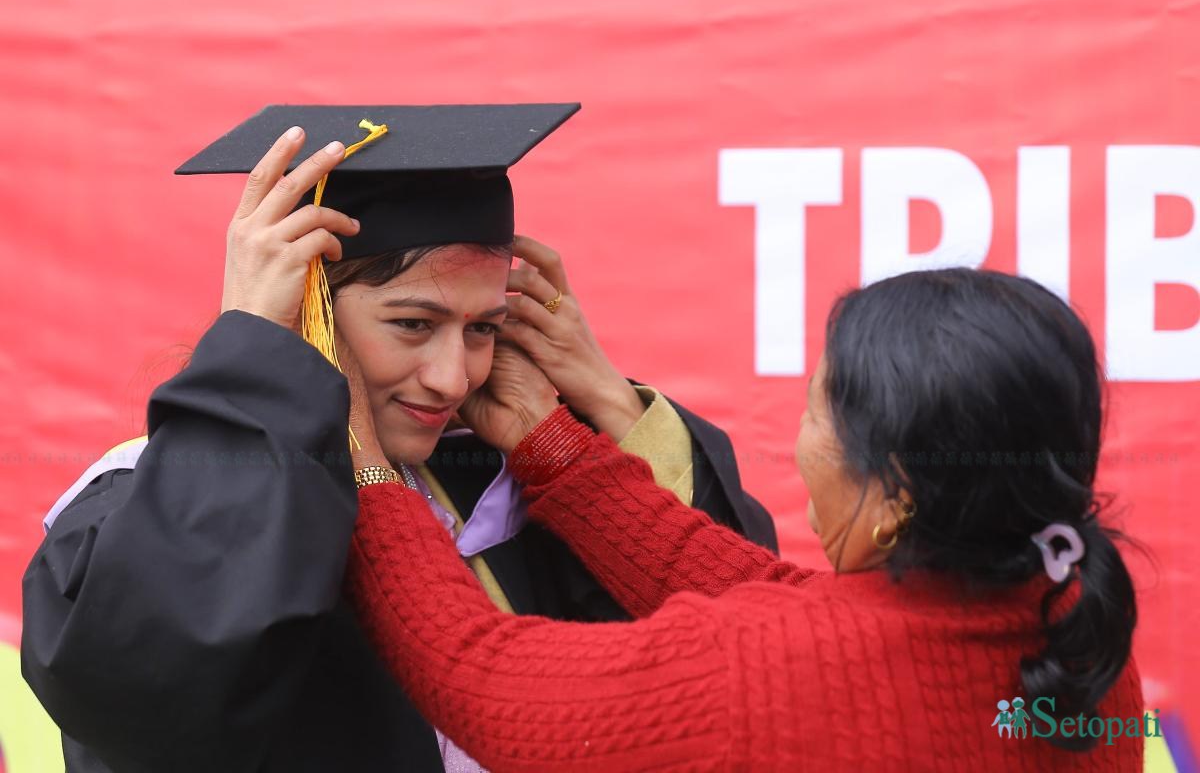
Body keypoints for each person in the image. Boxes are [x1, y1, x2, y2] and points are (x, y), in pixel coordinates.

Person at [21, 105, 775, 772]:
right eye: (412, 325)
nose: (452, 380)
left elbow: (734, 639)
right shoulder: (137, 498)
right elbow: (150, 707)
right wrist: (253, 354)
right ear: (304, 305)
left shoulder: (494, 491)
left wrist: (603, 400)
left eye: (481, 329)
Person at [344, 268, 1143, 770]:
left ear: (897, 494)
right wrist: (548, 441)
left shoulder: (756, 674)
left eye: (815, 411)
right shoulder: (1072, 622)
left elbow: (481, 678)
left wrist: (366, 463)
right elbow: (770, 595)